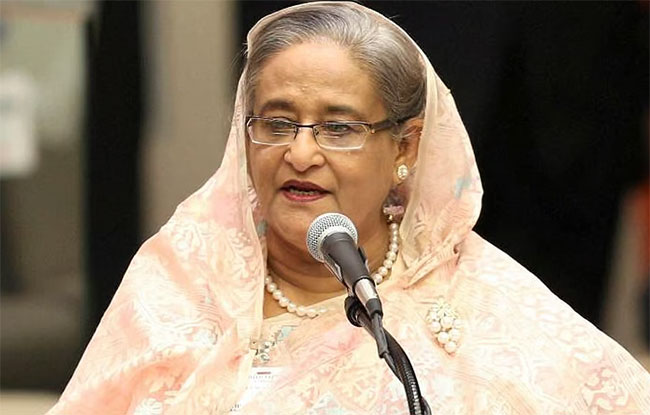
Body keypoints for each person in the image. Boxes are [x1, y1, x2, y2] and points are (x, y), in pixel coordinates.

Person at [47, 2, 650, 414]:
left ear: (404, 148)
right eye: (277, 123)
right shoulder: (180, 281)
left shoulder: (484, 300)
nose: (300, 153)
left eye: (338, 128)